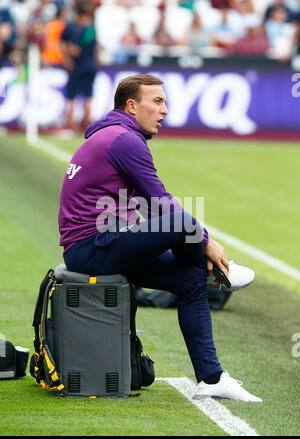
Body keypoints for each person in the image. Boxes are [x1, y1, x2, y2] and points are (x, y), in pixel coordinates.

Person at [58, 74, 261, 402]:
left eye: (165, 101)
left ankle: (211, 378)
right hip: (92, 248)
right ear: (132, 105)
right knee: (182, 220)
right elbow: (161, 203)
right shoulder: (124, 140)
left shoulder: (115, 135)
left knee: (190, 279)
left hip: (106, 243)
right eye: (157, 101)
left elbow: (147, 209)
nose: (165, 110)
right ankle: (219, 267)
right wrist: (207, 242)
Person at [60, 0, 97, 132]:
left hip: (77, 67)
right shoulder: (92, 29)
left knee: (71, 96)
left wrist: (67, 57)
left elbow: (74, 50)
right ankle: (86, 124)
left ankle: (70, 124)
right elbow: (95, 50)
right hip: (91, 66)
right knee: (88, 96)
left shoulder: (74, 28)